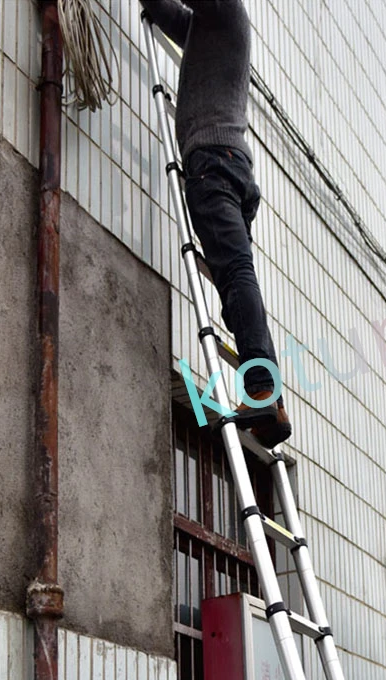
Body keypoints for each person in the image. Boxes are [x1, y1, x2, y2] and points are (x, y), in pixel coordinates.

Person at [140, 0, 292, 448]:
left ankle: (262, 389)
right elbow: (167, 13)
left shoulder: (225, 9)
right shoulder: (211, 28)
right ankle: (270, 396)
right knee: (235, 277)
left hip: (213, 163)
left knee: (235, 274)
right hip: (230, 165)